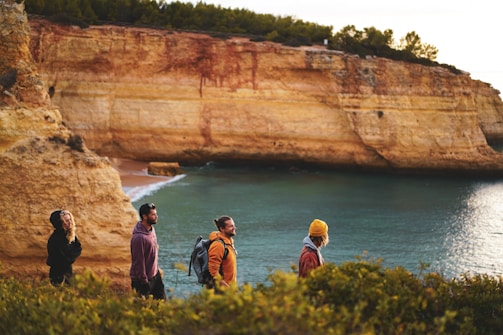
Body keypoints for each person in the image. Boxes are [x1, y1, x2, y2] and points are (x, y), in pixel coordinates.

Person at [130, 203, 166, 300]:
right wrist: (144, 282)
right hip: (142, 281)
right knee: (141, 309)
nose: (156, 216)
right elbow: (138, 262)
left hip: (155, 276)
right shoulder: (139, 238)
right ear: (144, 217)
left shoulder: (151, 230)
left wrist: (156, 271)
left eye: (156, 214)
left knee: (162, 306)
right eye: (153, 215)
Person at [46, 210, 82, 286]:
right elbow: (62, 259)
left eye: (70, 219)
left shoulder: (70, 236)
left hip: (68, 272)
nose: (70, 222)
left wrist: (70, 256)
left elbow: (78, 248)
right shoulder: (55, 239)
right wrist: (70, 256)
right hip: (57, 274)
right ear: (60, 223)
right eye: (66, 220)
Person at [207, 215, 238, 289]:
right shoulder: (218, 245)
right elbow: (213, 272)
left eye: (234, 225)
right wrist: (227, 289)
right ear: (222, 229)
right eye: (231, 226)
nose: (234, 228)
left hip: (230, 288)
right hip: (221, 291)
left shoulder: (229, 243)